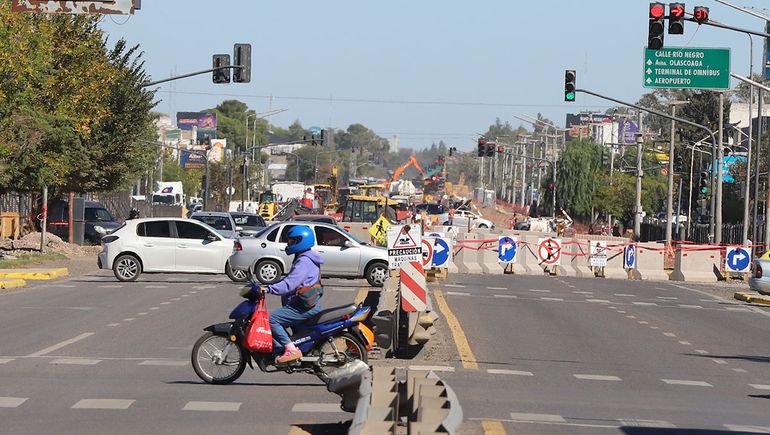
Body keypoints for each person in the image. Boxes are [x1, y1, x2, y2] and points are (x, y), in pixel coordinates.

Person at [262, 225, 324, 364]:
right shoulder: (306, 257)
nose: (288, 244)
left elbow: (289, 284)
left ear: (301, 241)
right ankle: (286, 348)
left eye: (291, 241)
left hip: (302, 307)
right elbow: (290, 280)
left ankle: (291, 350)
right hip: (305, 303)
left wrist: (269, 289)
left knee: (272, 320)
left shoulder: (304, 261)